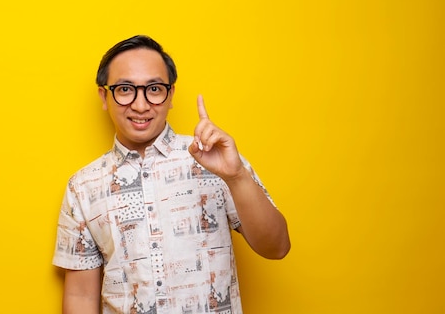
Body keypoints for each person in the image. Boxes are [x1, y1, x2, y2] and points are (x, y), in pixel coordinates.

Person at [53, 35, 290, 314]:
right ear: (105, 96)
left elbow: (277, 248)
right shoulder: (83, 186)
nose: (140, 106)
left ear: (171, 95)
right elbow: (81, 297)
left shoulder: (217, 159)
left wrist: (236, 176)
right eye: (125, 89)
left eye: (154, 88)